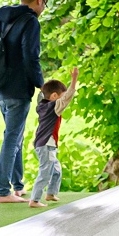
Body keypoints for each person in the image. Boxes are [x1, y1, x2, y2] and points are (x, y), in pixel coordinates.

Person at [0, 0, 48, 204]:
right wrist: (42, 85)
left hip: (1, 90)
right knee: (12, 138)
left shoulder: (0, 21)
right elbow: (31, 57)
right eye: (45, 5)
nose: (43, 9)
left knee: (15, 136)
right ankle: (3, 192)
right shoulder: (30, 21)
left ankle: (17, 186)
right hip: (19, 90)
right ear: (40, 0)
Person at [30, 68, 79, 208]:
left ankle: (50, 194)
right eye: (60, 97)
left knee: (56, 170)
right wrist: (74, 79)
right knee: (45, 171)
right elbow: (67, 98)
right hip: (46, 144)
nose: (63, 101)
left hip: (47, 144)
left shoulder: (43, 105)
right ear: (53, 96)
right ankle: (34, 200)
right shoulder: (52, 107)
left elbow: (46, 95)